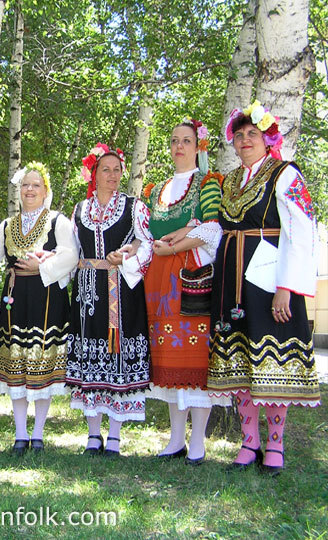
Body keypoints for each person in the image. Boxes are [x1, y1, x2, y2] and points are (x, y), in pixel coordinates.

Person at [208, 101, 319, 474]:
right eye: (238, 136)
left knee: (273, 364)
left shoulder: (285, 173)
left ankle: (276, 444)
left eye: (251, 134)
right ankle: (249, 440)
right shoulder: (231, 181)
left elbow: (302, 231)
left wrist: (287, 287)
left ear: (268, 138)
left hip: (269, 282)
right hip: (232, 281)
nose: (243, 141)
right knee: (240, 362)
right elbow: (219, 230)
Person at [143, 119, 231, 465]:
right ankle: (175, 438)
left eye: (186, 140)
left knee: (194, 359)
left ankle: (198, 441)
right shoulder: (156, 190)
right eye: (175, 140)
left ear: (198, 147)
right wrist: (161, 245)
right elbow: (146, 230)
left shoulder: (207, 184)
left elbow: (213, 228)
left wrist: (178, 242)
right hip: (159, 279)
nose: (179, 146)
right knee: (166, 359)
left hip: (191, 275)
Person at [66, 143, 153, 456]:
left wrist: (130, 253)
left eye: (118, 170)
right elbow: (71, 249)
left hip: (122, 291)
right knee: (90, 358)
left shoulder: (134, 207)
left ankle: (114, 434)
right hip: (88, 293)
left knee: (118, 358)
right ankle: (92, 434)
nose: (113, 175)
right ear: (94, 174)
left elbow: (148, 244)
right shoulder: (79, 211)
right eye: (106, 169)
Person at [0, 162, 78, 456]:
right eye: (25, 185)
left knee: (41, 364)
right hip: (15, 298)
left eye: (35, 185)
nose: (29, 190)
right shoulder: (6, 225)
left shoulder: (58, 221)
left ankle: (38, 434)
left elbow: (71, 256)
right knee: (17, 363)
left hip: (47, 296)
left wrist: (43, 265)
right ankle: (19, 433)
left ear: (46, 191)